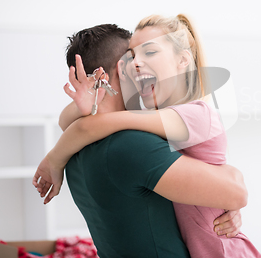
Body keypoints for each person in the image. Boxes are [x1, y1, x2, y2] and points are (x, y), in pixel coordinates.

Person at [33, 23, 248, 258]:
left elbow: (78, 125)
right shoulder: (132, 146)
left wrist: (54, 157)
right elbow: (237, 192)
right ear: (123, 69)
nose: (141, 65)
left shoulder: (74, 153)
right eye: (134, 57)